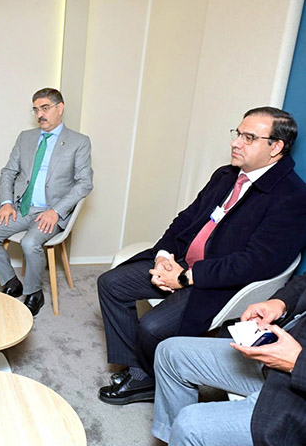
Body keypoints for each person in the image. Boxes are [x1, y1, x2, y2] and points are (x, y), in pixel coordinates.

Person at [97, 106, 306, 405]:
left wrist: (185, 278)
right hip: (182, 262)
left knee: (152, 327)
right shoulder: (225, 176)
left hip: (217, 280)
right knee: (111, 283)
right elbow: (186, 219)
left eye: (249, 138)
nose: (236, 143)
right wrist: (163, 256)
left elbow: (257, 262)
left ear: (276, 147)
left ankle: (146, 379)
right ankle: (140, 370)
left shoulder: (293, 197)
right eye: (238, 134)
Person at [152, 274, 306, 445]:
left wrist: (295, 362)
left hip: (297, 392)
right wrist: (280, 302)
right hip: (282, 347)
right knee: (170, 352)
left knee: (189, 425)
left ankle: (186, 438)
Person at [0, 88, 93, 316]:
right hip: (22, 207)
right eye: (36, 109)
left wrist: (57, 212)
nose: (40, 114)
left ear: (60, 108)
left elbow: (84, 183)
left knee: (31, 243)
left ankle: (34, 293)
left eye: (45, 108)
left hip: (51, 211)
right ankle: (11, 282)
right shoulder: (26, 137)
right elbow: (8, 172)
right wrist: (6, 202)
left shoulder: (79, 142)